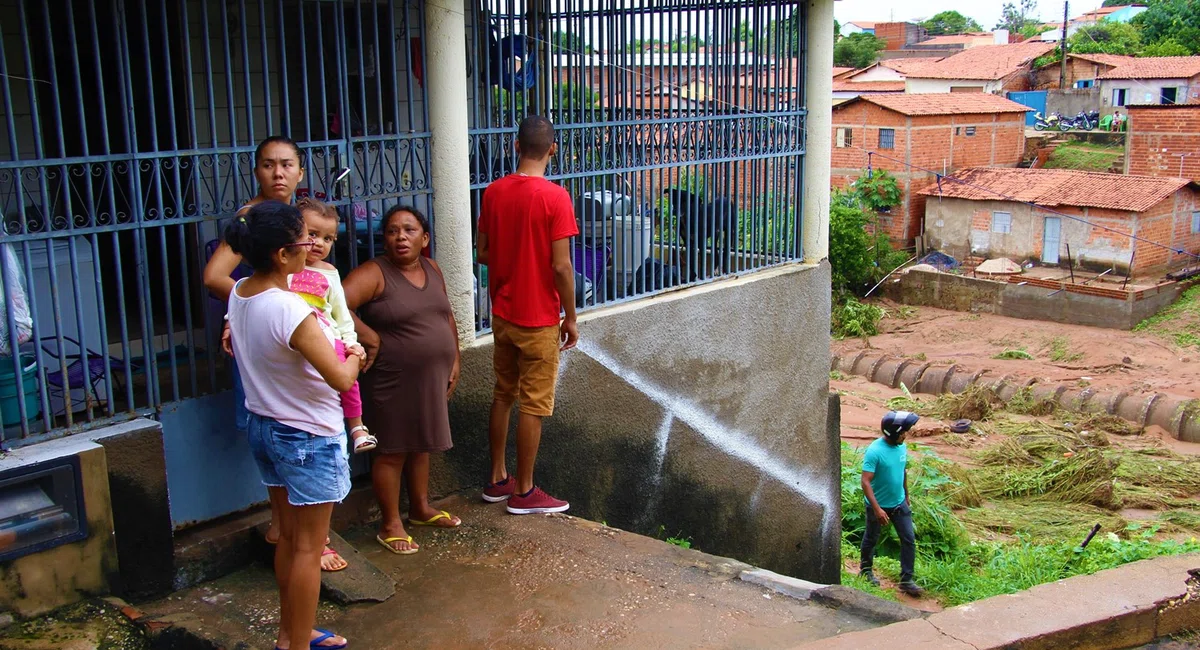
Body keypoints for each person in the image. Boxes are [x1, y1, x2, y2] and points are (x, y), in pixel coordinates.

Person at [203, 136, 348, 572]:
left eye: (287, 165)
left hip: (296, 334)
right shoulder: (250, 221)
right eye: (268, 165)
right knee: (278, 427)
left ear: (302, 172)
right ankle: (293, 534)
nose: (278, 173)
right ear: (256, 171)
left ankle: (296, 533)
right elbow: (215, 276)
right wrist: (255, 306)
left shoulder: (300, 220)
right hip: (272, 336)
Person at [224, 200, 362, 650]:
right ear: (282, 255)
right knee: (308, 546)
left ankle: (293, 634)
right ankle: (296, 644)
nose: (311, 250)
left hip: (267, 428)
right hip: (305, 435)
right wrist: (357, 355)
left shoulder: (241, 291)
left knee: (287, 535)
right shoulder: (288, 308)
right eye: (303, 242)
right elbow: (340, 378)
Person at [343, 206, 462, 555]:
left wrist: (454, 358)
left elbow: (446, 315)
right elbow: (333, 305)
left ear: (424, 238)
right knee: (392, 450)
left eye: (409, 230)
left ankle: (421, 509)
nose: (400, 237)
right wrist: (369, 336)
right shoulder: (375, 273)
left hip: (431, 377)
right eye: (393, 231)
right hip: (391, 378)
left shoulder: (432, 268)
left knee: (420, 443)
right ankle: (390, 524)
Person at [476, 115, 579, 515]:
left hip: (502, 313)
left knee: (504, 394)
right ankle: (524, 490)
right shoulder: (556, 198)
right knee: (534, 404)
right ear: (553, 149)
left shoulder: (494, 192)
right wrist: (569, 317)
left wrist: (511, 259)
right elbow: (561, 268)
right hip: (537, 318)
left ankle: (497, 478)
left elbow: (482, 253)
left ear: (515, 146)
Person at [290, 198, 376, 454]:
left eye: (327, 238)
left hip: (328, 338)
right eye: (312, 234)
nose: (318, 243)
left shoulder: (329, 273)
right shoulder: (282, 269)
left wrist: (351, 344)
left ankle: (357, 427)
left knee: (347, 379)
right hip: (293, 339)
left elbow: (341, 315)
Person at [860, 410, 924, 597]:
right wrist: (877, 509)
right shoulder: (875, 451)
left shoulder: (901, 447)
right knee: (871, 538)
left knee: (908, 539)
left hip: (899, 503)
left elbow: (902, 471)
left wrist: (906, 495)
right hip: (877, 505)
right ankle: (865, 570)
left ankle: (906, 580)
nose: (906, 435)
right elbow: (865, 481)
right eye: (903, 431)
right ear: (894, 432)